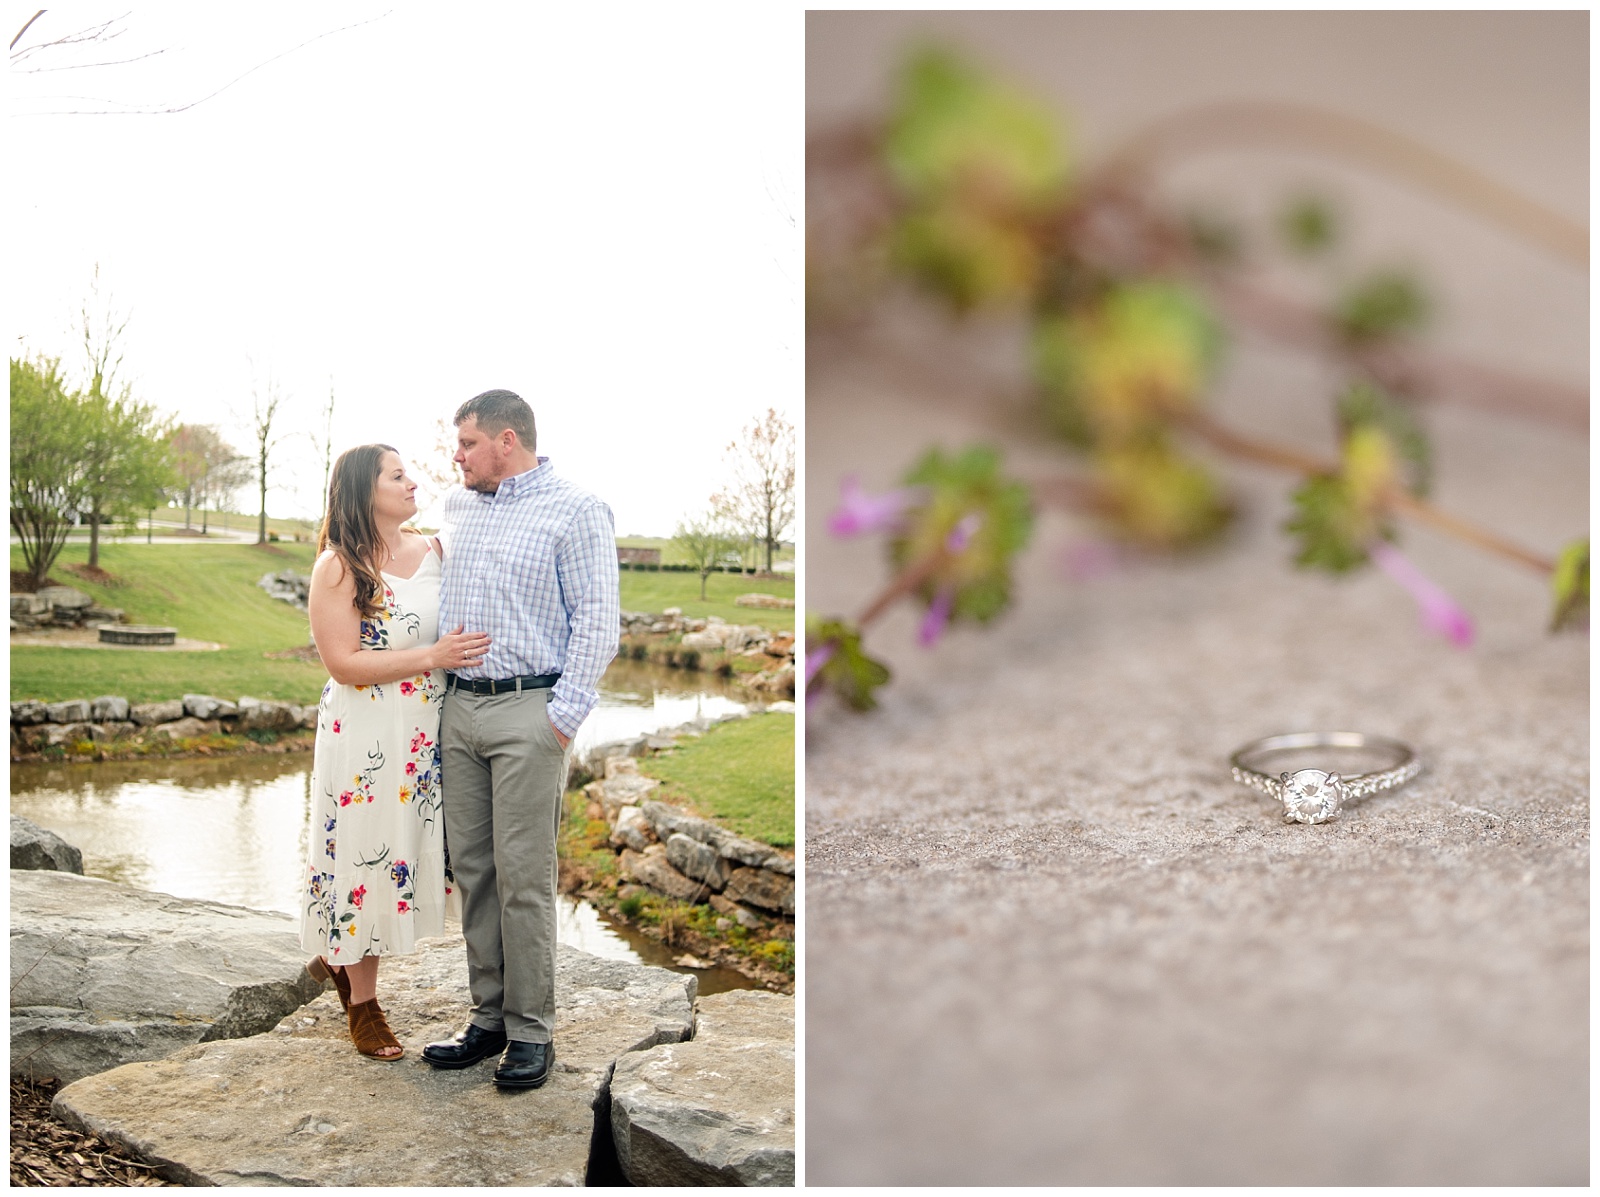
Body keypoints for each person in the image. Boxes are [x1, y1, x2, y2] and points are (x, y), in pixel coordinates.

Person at [421, 389, 620, 1090]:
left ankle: (533, 1030)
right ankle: (489, 1018)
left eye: (468, 443)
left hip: (529, 711)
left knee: (523, 878)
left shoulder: (576, 509)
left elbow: (598, 622)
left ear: (507, 441)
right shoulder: (458, 505)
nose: (458, 455)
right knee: (473, 871)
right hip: (460, 712)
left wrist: (560, 719)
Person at [299, 443, 492, 1060]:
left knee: (406, 856)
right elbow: (343, 663)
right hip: (363, 735)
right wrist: (431, 658)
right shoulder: (338, 566)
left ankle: (337, 954)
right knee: (363, 852)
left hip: (425, 737)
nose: (413, 482)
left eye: (410, 472)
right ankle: (362, 1002)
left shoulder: (437, 550)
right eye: (397, 475)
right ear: (364, 490)